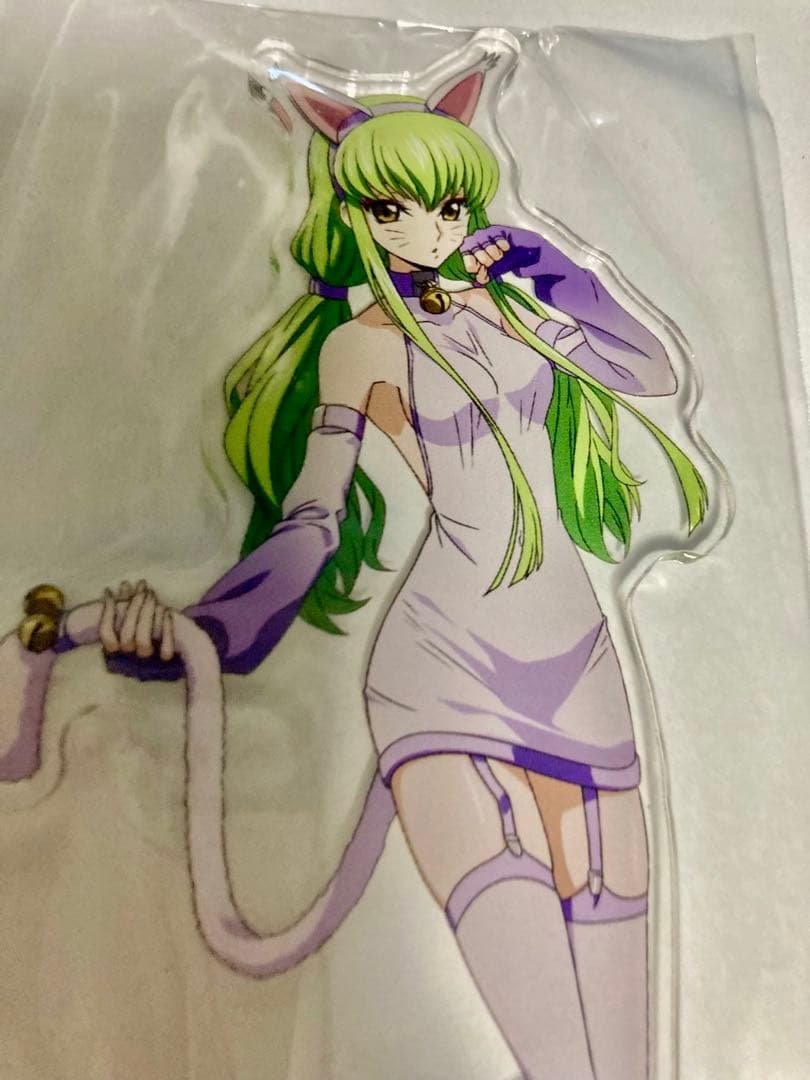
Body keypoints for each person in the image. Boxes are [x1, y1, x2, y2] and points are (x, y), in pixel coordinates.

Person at [87, 60, 707, 1080]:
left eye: (449, 205)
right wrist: (211, 634)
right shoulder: (360, 347)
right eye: (393, 210)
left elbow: (652, 372)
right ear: (355, 216)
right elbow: (313, 520)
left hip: (581, 669)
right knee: (555, 1053)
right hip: (443, 674)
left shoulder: (515, 310)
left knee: (628, 1050)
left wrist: (558, 276)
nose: (428, 230)